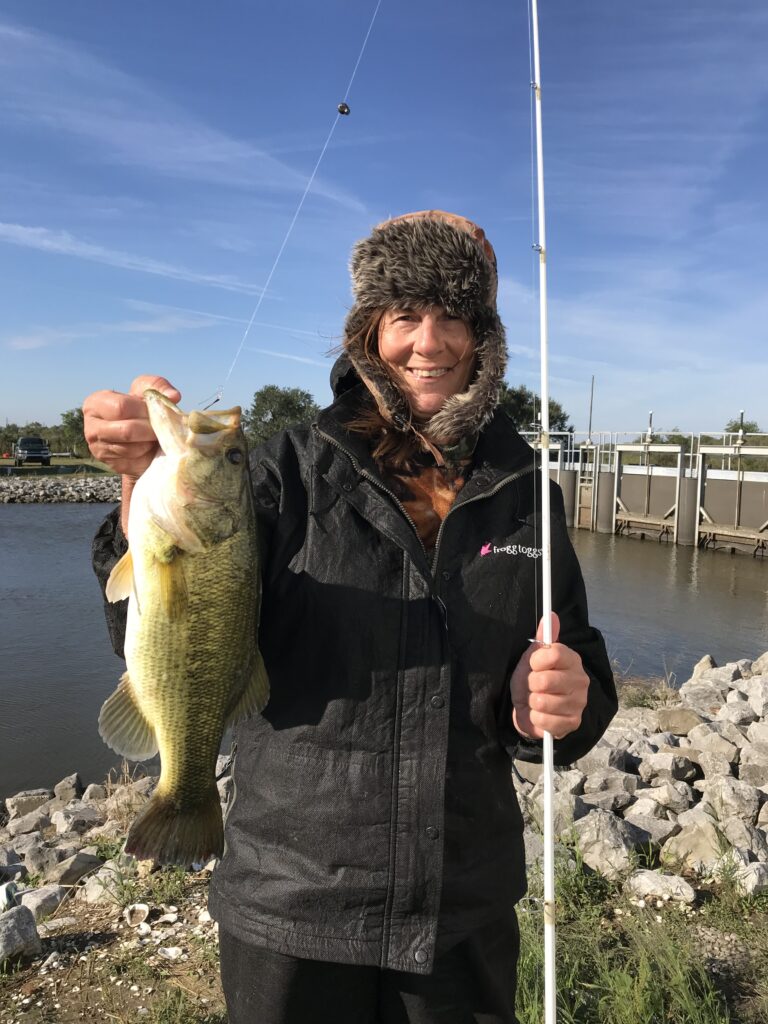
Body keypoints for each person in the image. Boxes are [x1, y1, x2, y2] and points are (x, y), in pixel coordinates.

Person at [84, 210, 617, 1024]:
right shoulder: (283, 472)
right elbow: (151, 631)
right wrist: (136, 478)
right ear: (369, 331)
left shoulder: (527, 496)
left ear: (484, 335)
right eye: (405, 314)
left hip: (462, 908)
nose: (428, 343)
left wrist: (562, 707)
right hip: (291, 907)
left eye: (454, 316)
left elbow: (573, 663)